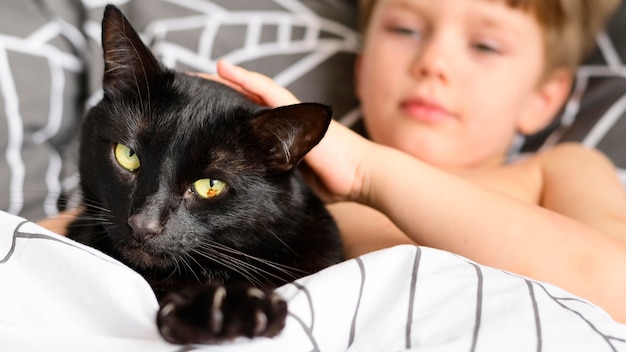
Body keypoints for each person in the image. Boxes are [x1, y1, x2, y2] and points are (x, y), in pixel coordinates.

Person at [40, 0, 626, 322]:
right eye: (406, 28)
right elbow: (44, 253)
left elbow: (614, 289)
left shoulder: (557, 169)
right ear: (362, 63)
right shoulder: (270, 194)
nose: (434, 62)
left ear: (546, 95)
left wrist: (370, 170)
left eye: (485, 44)